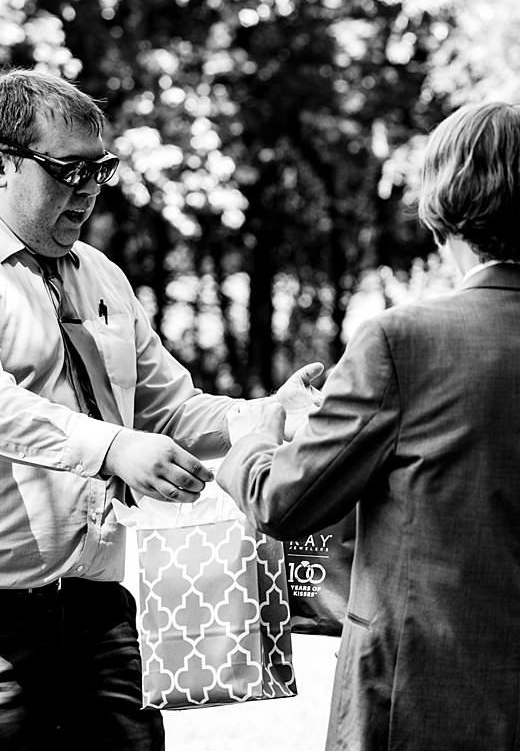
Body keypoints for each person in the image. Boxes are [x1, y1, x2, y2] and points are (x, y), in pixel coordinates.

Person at [217, 101, 520, 751]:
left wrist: (255, 435)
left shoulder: (400, 341)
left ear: (444, 203)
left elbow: (284, 503)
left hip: (415, 707)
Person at [0, 68, 322, 751]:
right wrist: (114, 447)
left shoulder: (104, 276)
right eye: (68, 171)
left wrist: (271, 415)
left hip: (102, 608)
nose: (88, 190)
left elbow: (174, 408)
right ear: (4, 165)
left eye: (100, 169)